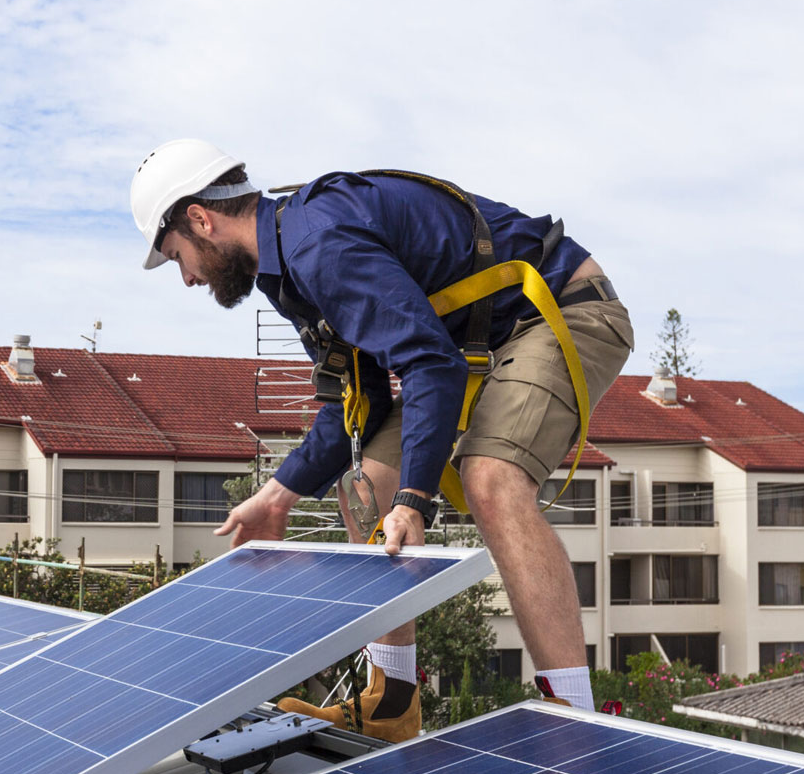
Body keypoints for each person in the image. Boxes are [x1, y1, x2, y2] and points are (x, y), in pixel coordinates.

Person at [130, 139, 633, 740]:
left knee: (490, 480)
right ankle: (391, 704)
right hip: (472, 344)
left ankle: (573, 720)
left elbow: (430, 365)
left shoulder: (317, 243)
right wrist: (278, 495)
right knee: (366, 486)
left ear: (200, 218)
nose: (186, 277)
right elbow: (358, 403)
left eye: (178, 256)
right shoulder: (287, 269)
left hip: (560, 309)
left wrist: (414, 500)